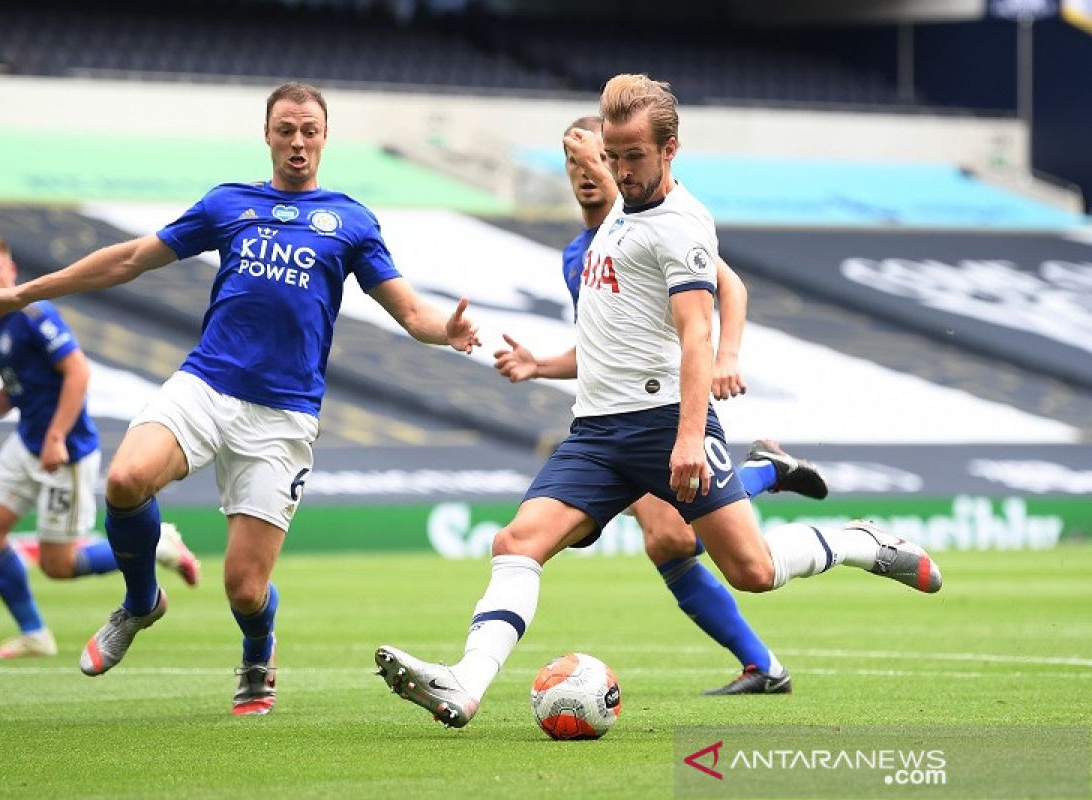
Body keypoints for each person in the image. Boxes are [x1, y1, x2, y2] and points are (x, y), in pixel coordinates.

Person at [375, 73, 942, 729]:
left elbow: (696, 332)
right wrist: (539, 365)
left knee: (752, 571)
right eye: (609, 158)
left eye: (631, 158)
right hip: (595, 431)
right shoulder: (616, 208)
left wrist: (688, 433)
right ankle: (466, 684)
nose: (619, 170)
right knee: (517, 541)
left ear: (670, 150)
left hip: (663, 422)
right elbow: (615, 333)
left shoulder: (682, 224)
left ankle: (854, 540)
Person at [0, 82, 480, 716]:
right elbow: (128, 259)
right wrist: (22, 293)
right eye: (286, 129)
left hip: (283, 416)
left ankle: (258, 654)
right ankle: (141, 601)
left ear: (324, 137)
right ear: (267, 134)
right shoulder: (227, 203)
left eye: (309, 130)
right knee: (124, 479)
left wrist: (444, 331)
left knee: (244, 589)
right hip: (207, 385)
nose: (297, 141)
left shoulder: (350, 220)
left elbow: (409, 310)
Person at [490, 117, 828, 695]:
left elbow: (731, 287)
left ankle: (766, 477)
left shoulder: (659, 221)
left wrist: (727, 354)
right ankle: (764, 664)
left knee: (676, 537)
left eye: (597, 158)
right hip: (612, 415)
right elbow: (603, 348)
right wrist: (541, 365)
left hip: (668, 412)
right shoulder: (580, 253)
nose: (588, 173)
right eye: (575, 164)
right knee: (670, 539)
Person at [0, 234, 200, 660]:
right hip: (28, 443)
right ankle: (34, 635)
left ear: (11, 273)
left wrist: (57, 437)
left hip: (66, 451)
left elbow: (77, 372)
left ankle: (158, 544)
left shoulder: (35, 313)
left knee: (57, 566)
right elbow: (13, 393)